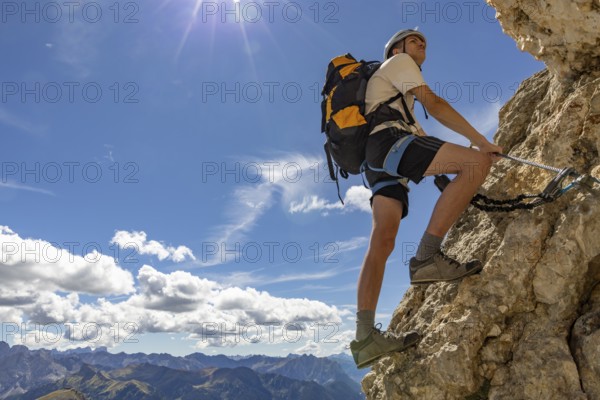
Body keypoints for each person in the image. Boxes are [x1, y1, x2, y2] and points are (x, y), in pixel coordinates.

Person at [350, 29, 503, 368]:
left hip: (377, 161)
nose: (421, 44)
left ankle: (364, 339)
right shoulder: (399, 63)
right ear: (396, 48)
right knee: (476, 164)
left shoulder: (394, 95)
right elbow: (435, 103)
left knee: (383, 239)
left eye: (424, 42)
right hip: (391, 142)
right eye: (413, 40)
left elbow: (426, 143)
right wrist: (480, 141)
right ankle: (426, 259)